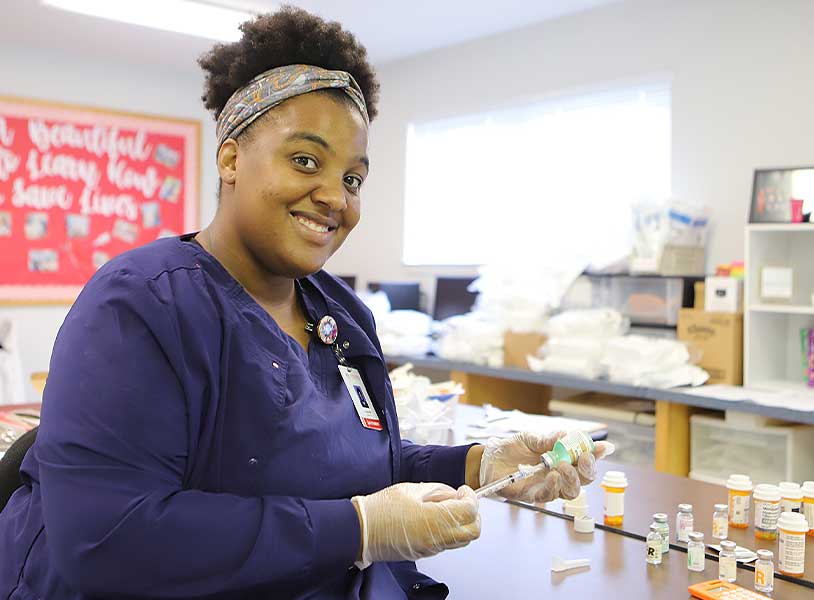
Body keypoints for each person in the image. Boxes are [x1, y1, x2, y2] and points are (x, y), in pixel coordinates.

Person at [0, 8, 611, 598]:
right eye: (305, 161)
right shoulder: (141, 306)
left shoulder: (343, 318)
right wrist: (362, 529)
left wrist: (479, 462)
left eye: (352, 179)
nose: (334, 198)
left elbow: (355, 464)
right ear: (231, 157)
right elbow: (108, 541)